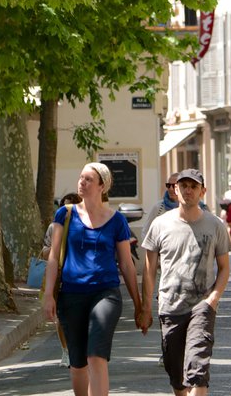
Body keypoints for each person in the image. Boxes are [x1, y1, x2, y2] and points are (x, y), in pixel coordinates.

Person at [43, 163, 143, 396]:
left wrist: (139, 305)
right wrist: (48, 295)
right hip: (71, 295)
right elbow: (53, 257)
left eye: (88, 179)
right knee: (78, 362)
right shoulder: (65, 214)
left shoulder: (117, 221)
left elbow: (127, 265)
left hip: (105, 294)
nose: (82, 182)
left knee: (95, 354)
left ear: (102, 186)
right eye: (81, 178)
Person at [140, 169, 230, 396]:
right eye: (183, 186)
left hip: (202, 306)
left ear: (203, 191)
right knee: (177, 378)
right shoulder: (160, 225)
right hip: (170, 306)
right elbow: (149, 270)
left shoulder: (215, 225)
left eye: (193, 186)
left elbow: (224, 268)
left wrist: (212, 299)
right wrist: (145, 307)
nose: (187, 190)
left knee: (198, 371)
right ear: (175, 190)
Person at [41, 192, 83, 368]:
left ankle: (80, 349)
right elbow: (44, 252)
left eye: (70, 209)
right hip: (59, 277)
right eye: (63, 208)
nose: (66, 213)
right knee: (61, 317)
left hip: (80, 279)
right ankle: (66, 351)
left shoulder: (85, 228)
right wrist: (54, 250)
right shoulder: (53, 227)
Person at [142, 172, 181, 241]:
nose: (171, 189)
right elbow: (146, 232)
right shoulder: (158, 207)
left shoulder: (191, 208)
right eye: (168, 185)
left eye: (174, 186)